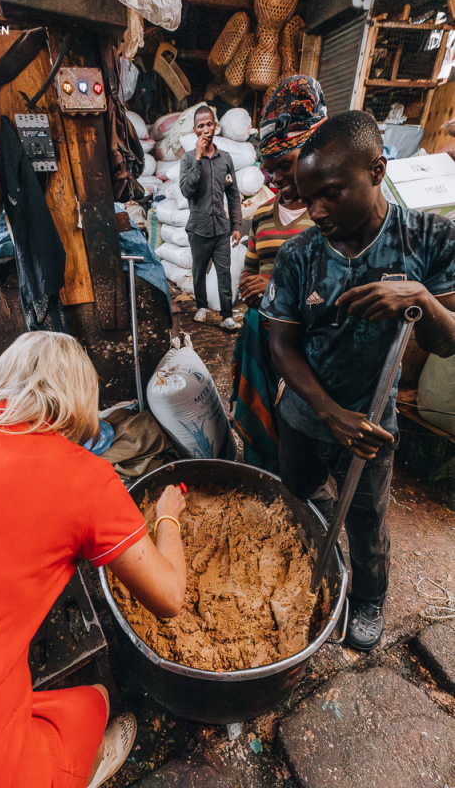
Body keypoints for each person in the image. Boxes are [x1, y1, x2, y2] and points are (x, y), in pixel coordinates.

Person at [0, 332, 187, 788]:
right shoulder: (86, 477)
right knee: (97, 701)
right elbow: (170, 597)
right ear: (83, 404)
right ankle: (91, 764)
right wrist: (168, 517)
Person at [260, 110, 455, 651]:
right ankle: (320, 546)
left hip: (371, 422)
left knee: (367, 518)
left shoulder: (428, 240)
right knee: (300, 490)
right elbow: (281, 343)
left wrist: (419, 297)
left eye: (330, 193)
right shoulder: (299, 255)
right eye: (305, 197)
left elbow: (447, 341)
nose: (316, 211)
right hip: (304, 411)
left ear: (377, 168)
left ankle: (368, 597)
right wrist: (328, 413)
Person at [231, 76, 327, 474]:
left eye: (283, 166)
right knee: (264, 417)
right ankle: (262, 471)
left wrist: (273, 289)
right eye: (267, 170)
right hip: (265, 337)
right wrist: (252, 292)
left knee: (299, 429)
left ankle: (296, 481)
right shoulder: (262, 218)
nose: (273, 179)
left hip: (306, 344)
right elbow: (248, 276)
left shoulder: (327, 217)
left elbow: (333, 284)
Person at [179, 105, 243, 331]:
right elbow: (187, 190)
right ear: (195, 130)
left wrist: (236, 224)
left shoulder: (225, 159)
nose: (205, 129)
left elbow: (233, 194)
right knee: (199, 270)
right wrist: (197, 156)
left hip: (221, 228)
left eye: (209, 124)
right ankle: (201, 306)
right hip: (199, 227)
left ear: (215, 125)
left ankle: (226, 315)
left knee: (223, 271)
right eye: (200, 126)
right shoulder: (188, 159)